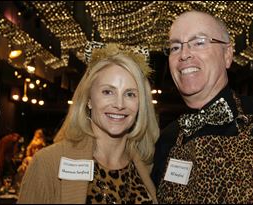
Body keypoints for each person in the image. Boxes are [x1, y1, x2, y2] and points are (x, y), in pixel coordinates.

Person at [151, 10, 253, 204]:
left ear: (227, 54)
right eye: (176, 47)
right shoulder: (167, 139)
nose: (184, 54)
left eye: (199, 42)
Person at [17, 43, 160, 204]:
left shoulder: (147, 166)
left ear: (140, 104)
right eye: (108, 92)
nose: (119, 104)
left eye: (130, 94)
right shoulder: (48, 163)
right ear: (89, 100)